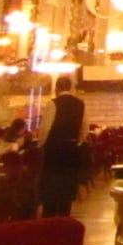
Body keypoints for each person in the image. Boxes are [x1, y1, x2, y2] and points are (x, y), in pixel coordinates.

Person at [37, 77, 85, 216]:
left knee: (52, 182)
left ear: (57, 88)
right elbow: (84, 127)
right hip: (71, 149)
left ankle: (50, 213)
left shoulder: (53, 103)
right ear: (70, 87)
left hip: (54, 149)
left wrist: (40, 145)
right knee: (67, 182)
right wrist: (77, 142)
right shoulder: (80, 104)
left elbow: (45, 128)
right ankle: (64, 213)